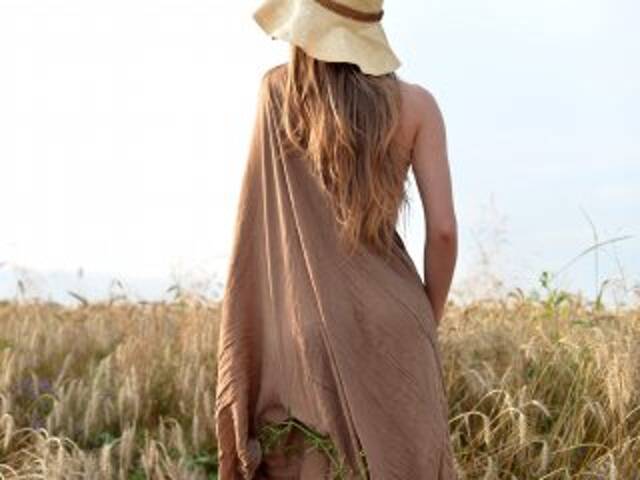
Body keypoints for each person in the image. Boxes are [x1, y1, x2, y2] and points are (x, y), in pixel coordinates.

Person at [215, 0, 458, 478]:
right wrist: (426, 318)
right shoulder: (417, 106)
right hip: (398, 322)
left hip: (305, 325)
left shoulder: (277, 92)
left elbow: (255, 221)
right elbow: (444, 231)